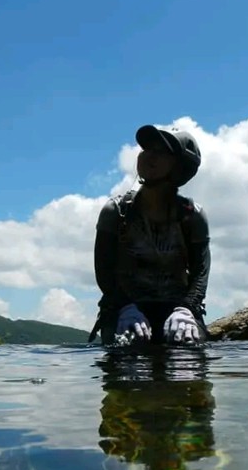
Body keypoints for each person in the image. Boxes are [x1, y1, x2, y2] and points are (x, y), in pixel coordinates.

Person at [88, 124, 211, 346]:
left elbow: (200, 271)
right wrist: (125, 307)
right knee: (127, 356)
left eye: (161, 152)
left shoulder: (192, 216)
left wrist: (187, 309)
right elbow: (104, 270)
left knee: (185, 357)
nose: (149, 156)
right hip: (124, 307)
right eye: (147, 149)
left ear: (180, 167)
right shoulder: (116, 212)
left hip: (178, 308)